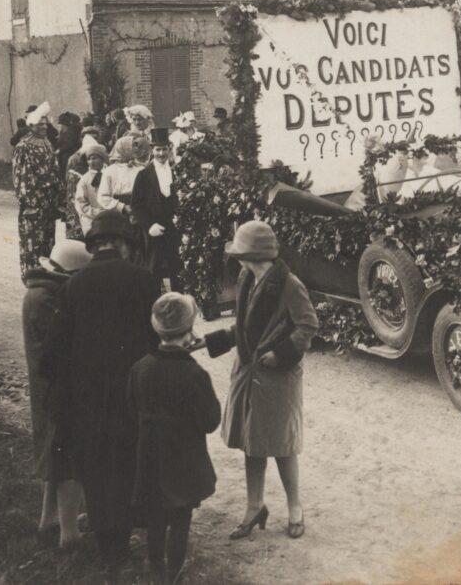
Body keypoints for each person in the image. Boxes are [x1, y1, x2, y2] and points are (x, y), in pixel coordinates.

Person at [41, 210, 160, 572]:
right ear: (124, 245)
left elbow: (53, 352)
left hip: (87, 399)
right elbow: (159, 339)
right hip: (133, 393)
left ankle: (107, 547)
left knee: (95, 467)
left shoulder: (74, 285)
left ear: (95, 246)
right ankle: (122, 543)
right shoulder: (146, 281)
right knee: (127, 465)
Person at [204, 221, 319, 541]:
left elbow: (308, 325)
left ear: (251, 254)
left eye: (239, 253)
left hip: (277, 377)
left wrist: (280, 354)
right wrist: (213, 340)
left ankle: (295, 508)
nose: (236, 259)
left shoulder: (289, 284)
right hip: (248, 372)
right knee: (251, 443)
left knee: (282, 445)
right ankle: (254, 507)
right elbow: (245, 327)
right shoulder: (246, 278)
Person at [128, 293, 221, 584]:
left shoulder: (139, 368)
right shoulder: (194, 373)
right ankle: (175, 572)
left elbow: (129, 411)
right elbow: (210, 421)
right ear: (190, 329)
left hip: (150, 458)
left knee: (156, 516)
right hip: (184, 460)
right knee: (181, 517)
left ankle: (154, 565)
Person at [22, 239, 91, 549]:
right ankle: (69, 534)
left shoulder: (38, 293)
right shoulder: (47, 300)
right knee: (70, 456)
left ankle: (48, 520)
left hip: (46, 385)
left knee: (54, 453)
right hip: (58, 387)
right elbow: (66, 345)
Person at [12, 102, 63, 282]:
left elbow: (55, 171)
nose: (43, 127)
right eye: (39, 124)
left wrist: (58, 199)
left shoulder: (47, 142)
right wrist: (30, 203)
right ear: (31, 125)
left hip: (49, 201)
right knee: (33, 242)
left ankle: (47, 276)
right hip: (34, 202)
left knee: (49, 241)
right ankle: (33, 278)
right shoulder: (23, 146)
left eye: (45, 124)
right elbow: (22, 178)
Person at [132, 134, 183, 292]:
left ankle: (178, 302)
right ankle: (153, 304)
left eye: (164, 149)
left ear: (169, 149)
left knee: (178, 266)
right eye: (158, 150)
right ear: (152, 150)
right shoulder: (144, 175)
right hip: (155, 227)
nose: (161, 154)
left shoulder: (178, 171)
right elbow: (136, 205)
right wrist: (149, 225)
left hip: (175, 226)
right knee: (154, 268)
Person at [98, 135, 144, 217]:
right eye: (133, 146)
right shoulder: (110, 171)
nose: (136, 149)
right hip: (117, 212)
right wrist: (122, 207)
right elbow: (102, 197)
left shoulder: (140, 169)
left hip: (139, 209)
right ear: (124, 148)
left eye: (136, 146)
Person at [74, 141, 108, 235]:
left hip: (110, 218)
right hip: (92, 221)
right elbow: (81, 202)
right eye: (89, 159)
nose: (91, 162)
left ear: (102, 159)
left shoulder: (110, 175)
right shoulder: (84, 180)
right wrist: (95, 212)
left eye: (95, 158)